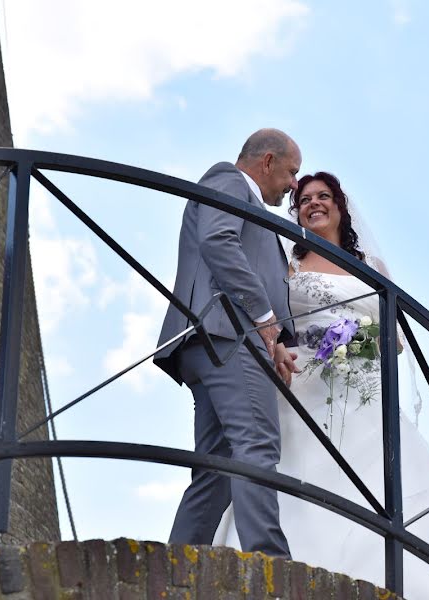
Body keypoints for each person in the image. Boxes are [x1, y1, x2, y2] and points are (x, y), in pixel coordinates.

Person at [213, 172, 429, 599]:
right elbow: (279, 322)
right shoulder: (288, 265)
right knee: (289, 466)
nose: (314, 203)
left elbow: (393, 339)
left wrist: (343, 344)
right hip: (304, 382)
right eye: (304, 199)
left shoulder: (372, 269)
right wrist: (316, 346)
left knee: (383, 479)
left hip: (361, 386)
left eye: (324, 196)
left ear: (342, 208)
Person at [154, 128, 301, 558]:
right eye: (292, 172)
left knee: (215, 470)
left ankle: (178, 566)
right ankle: (272, 563)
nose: (294, 184)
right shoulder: (228, 180)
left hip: (215, 341)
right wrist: (265, 318)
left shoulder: (246, 198)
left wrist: (272, 339)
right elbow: (218, 240)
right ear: (268, 161)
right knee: (256, 442)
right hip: (225, 337)